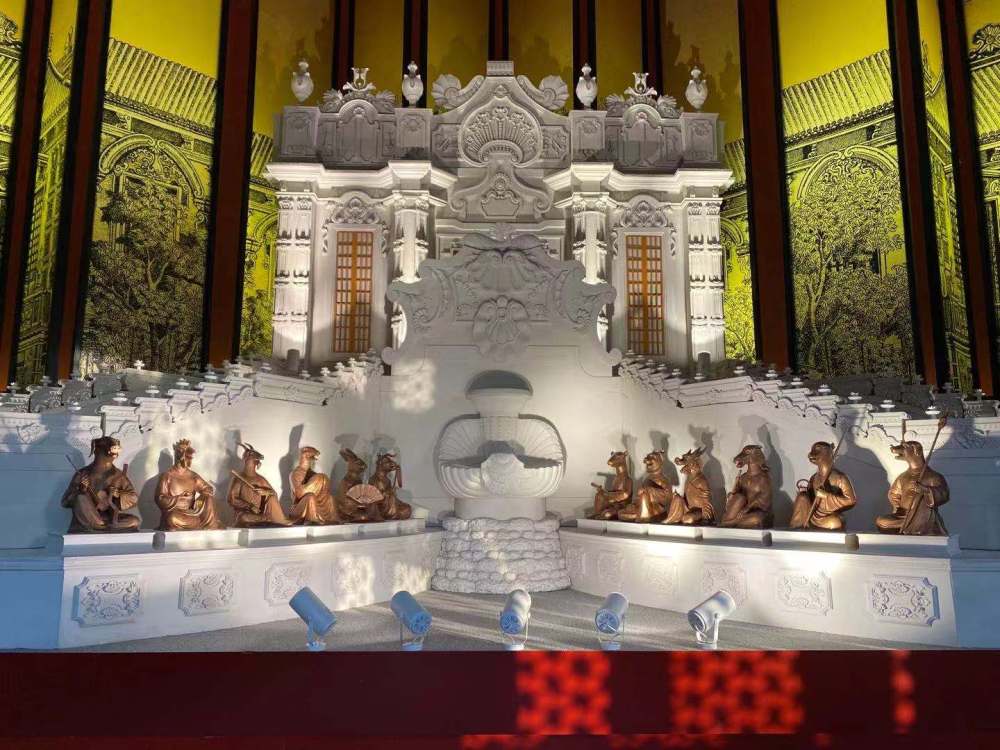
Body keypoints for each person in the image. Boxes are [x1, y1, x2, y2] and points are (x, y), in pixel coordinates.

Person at [61, 436, 141, 532]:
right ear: (97, 452)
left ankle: (103, 527)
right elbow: (65, 502)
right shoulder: (83, 474)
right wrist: (81, 490)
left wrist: (118, 494)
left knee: (134, 521)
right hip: (89, 517)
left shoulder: (118, 475)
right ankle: (100, 526)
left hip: (108, 518)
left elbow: (133, 498)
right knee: (80, 497)